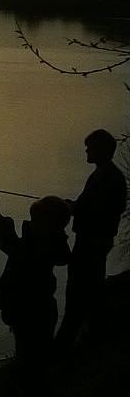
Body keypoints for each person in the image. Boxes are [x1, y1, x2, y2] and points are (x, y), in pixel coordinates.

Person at [0, 195, 71, 388]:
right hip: (41, 309)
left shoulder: (37, 247)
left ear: (47, 225)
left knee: (30, 363)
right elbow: (10, 241)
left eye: (36, 220)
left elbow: (10, 243)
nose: (31, 224)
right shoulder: (50, 244)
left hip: (29, 311)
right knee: (35, 359)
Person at [56, 129, 127, 349]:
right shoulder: (103, 174)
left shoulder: (108, 177)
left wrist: (74, 208)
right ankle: (87, 334)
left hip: (93, 242)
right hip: (91, 240)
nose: (86, 150)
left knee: (79, 290)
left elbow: (99, 211)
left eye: (90, 147)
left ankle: (68, 342)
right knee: (88, 288)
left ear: (101, 150)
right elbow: (89, 205)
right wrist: (74, 206)